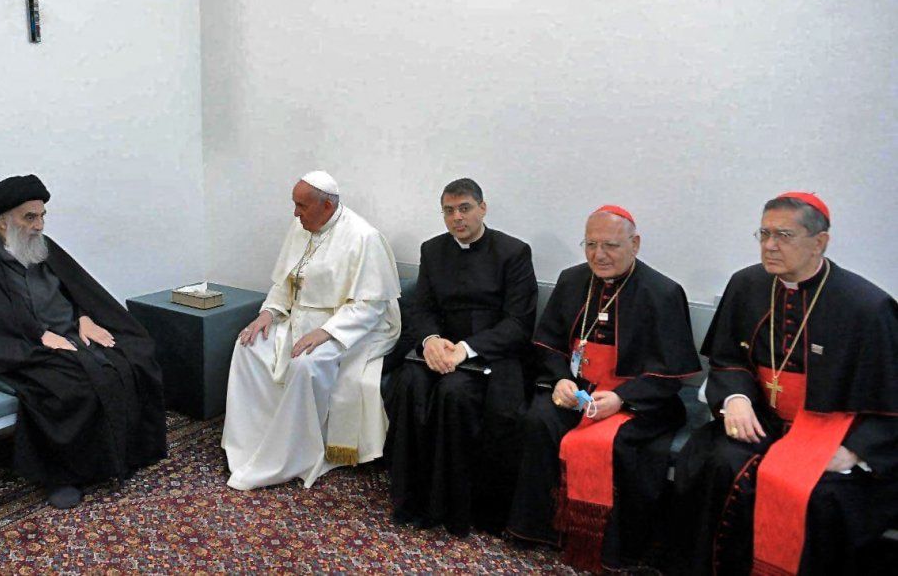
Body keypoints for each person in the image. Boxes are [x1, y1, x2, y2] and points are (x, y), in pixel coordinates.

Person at [672, 192, 898, 575]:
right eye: (764, 234)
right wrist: (736, 398)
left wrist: (855, 452)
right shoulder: (746, 285)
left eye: (784, 235)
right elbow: (727, 359)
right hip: (762, 419)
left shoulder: (867, 306)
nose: (770, 245)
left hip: (834, 431)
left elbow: (889, 401)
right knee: (718, 463)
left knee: (821, 494)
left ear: (819, 242)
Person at [0, 174, 167, 509]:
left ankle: (131, 452)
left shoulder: (38, 243)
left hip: (68, 330)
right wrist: (39, 336)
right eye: (30, 217)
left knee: (134, 354)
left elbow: (75, 287)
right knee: (71, 386)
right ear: (3, 221)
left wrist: (84, 317)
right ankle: (63, 475)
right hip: (16, 344)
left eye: (42, 216)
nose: (39, 225)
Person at [506, 205, 700, 571]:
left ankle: (606, 545)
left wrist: (621, 398)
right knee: (538, 419)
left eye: (610, 245)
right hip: (577, 390)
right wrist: (561, 379)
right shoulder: (571, 280)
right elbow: (548, 344)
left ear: (634, 244)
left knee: (616, 444)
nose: (599, 255)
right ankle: (544, 530)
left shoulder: (663, 292)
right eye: (591, 244)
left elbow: (673, 372)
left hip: (636, 400)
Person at [221, 171, 401, 490]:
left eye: (301, 206)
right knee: (248, 345)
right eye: (295, 204)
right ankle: (253, 441)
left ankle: (293, 455)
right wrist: (268, 312)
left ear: (327, 206)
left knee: (306, 364)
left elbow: (371, 307)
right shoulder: (301, 227)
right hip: (300, 318)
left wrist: (327, 331)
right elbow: (286, 281)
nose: (295, 213)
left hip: (352, 328)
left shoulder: (364, 237)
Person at [385, 178, 538, 536]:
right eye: (449, 211)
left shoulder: (514, 252)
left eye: (465, 208)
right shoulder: (432, 250)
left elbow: (519, 323)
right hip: (440, 349)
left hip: (492, 355)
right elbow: (421, 307)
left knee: (454, 392)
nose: (457, 217)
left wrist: (466, 349)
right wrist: (430, 340)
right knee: (409, 382)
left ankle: (455, 508)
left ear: (482, 208)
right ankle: (413, 501)